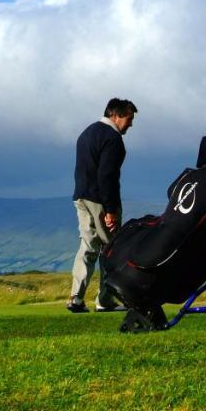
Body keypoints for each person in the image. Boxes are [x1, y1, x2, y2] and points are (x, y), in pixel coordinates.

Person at [68, 98, 137, 313]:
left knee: (88, 246)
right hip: (100, 199)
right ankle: (105, 300)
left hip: (81, 195)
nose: (130, 124)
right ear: (115, 115)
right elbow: (107, 175)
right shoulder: (113, 138)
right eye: (129, 118)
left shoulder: (86, 133)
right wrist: (110, 210)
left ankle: (76, 297)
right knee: (112, 249)